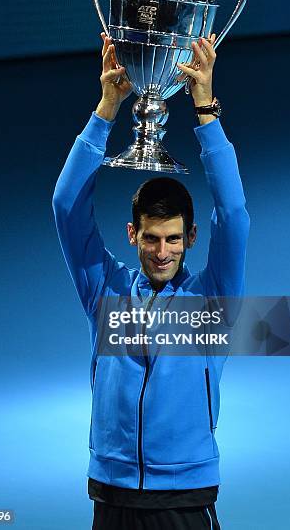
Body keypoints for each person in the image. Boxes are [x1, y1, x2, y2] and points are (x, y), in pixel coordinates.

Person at [52, 32, 250, 529]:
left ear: (191, 237)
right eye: (151, 238)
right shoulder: (106, 290)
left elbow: (235, 212)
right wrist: (106, 108)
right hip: (112, 492)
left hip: (183, 496)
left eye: (174, 239)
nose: (162, 252)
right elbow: (66, 206)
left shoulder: (212, 300)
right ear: (132, 234)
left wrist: (206, 111)